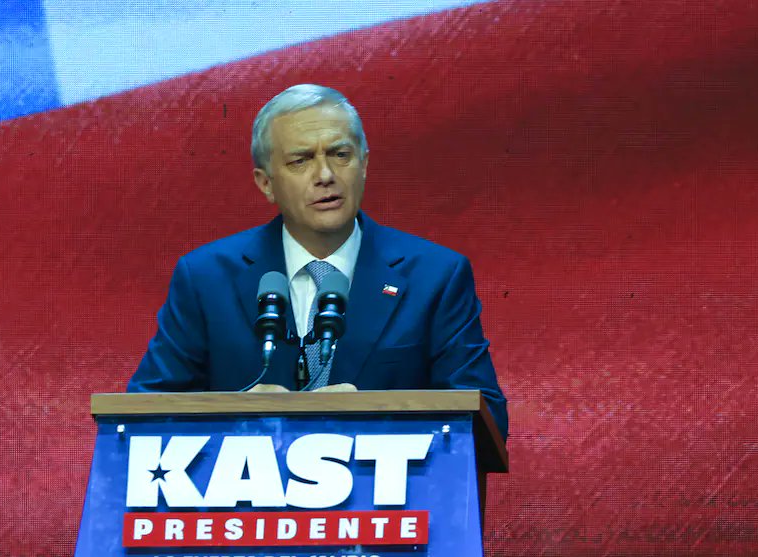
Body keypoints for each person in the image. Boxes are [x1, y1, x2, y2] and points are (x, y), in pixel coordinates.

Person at [128, 84, 508, 438]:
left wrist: (373, 416)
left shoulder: (436, 277)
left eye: (340, 155)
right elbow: (142, 417)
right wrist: (237, 416)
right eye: (301, 160)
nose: (325, 175)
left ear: (364, 164)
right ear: (265, 183)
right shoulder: (206, 278)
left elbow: (487, 420)